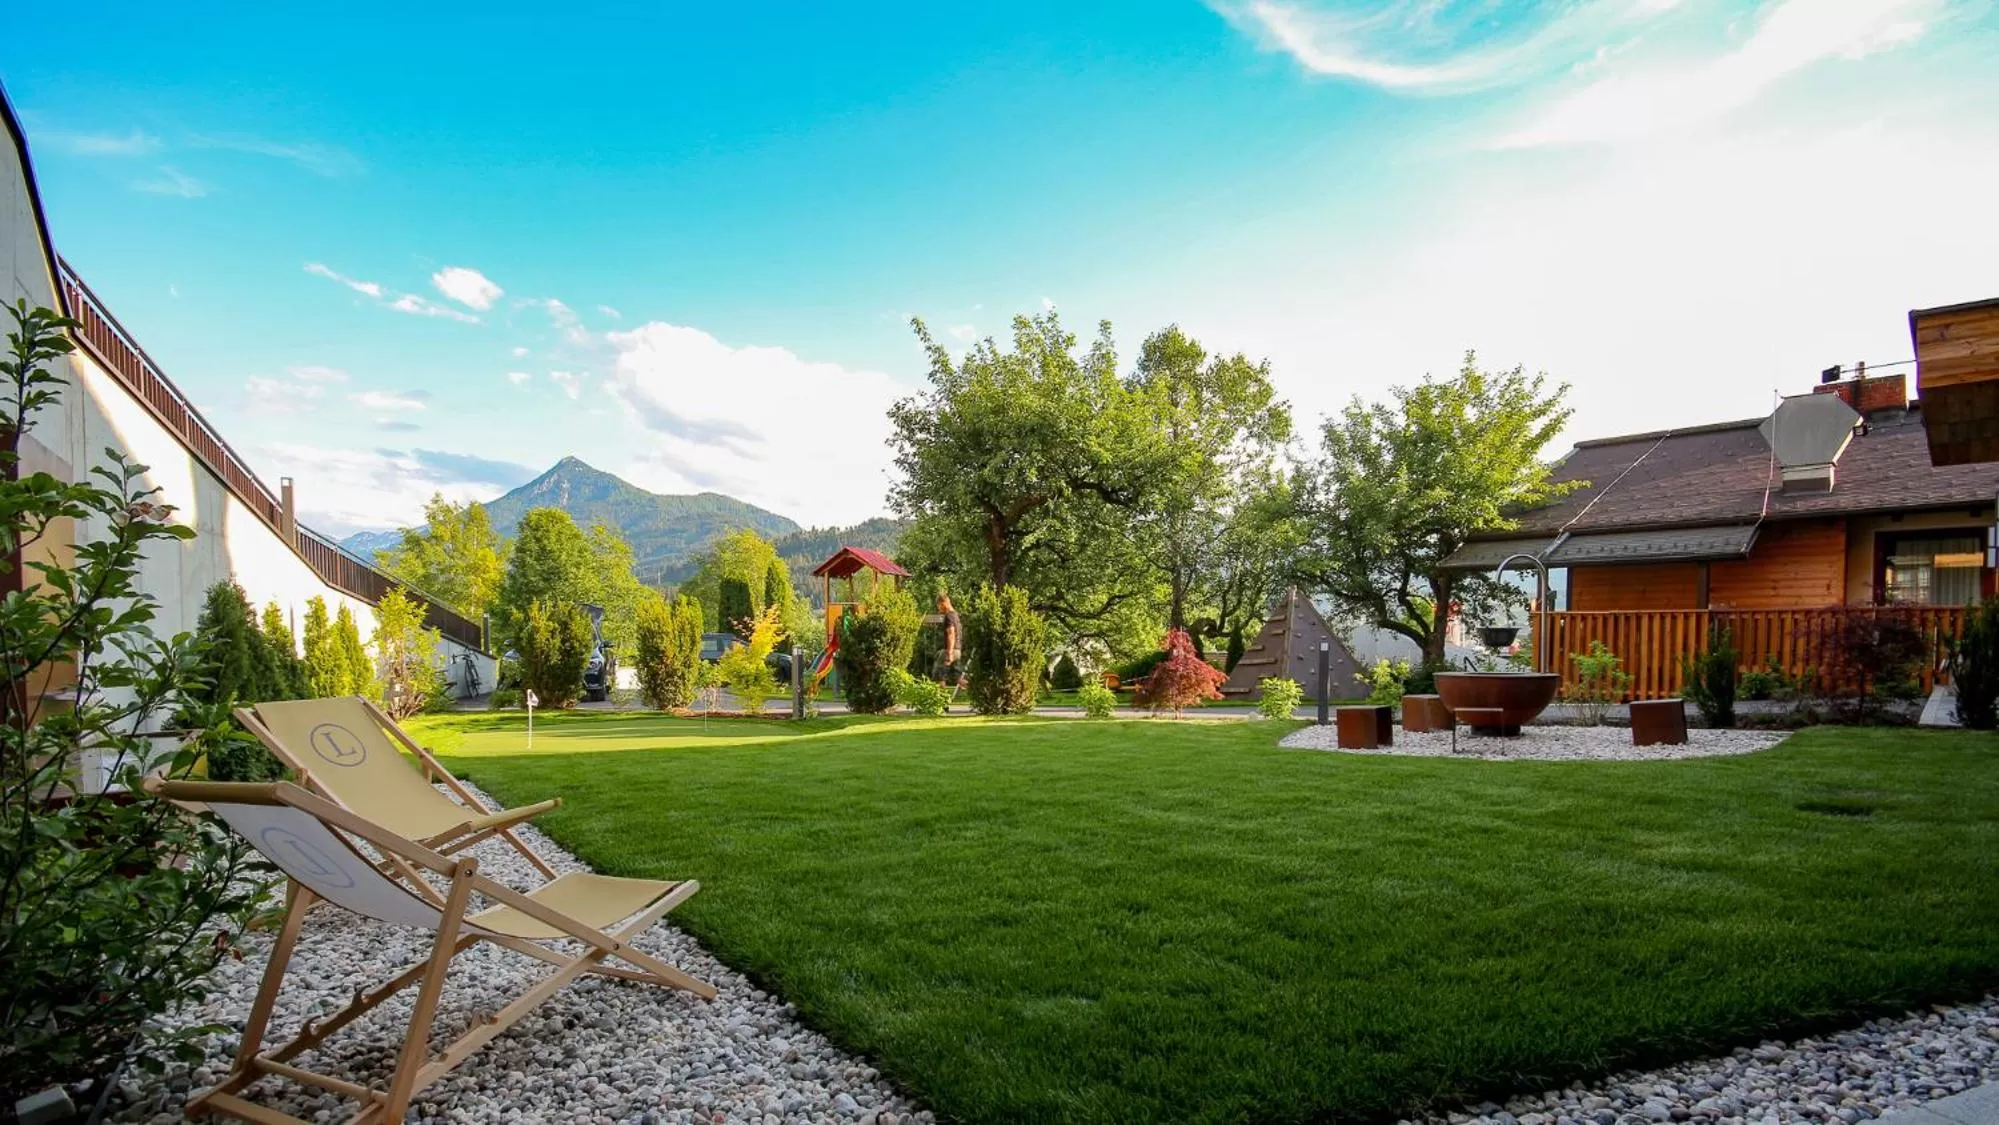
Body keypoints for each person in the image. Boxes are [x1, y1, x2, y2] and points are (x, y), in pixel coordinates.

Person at [932, 594, 963, 685]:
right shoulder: (955, 615)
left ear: (943, 603)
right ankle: (978, 688)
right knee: (957, 678)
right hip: (957, 650)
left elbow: (951, 633)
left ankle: (941, 698)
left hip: (950, 650)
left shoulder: (949, 616)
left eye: (939, 605)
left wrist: (949, 653)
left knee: (938, 674)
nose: (939, 608)